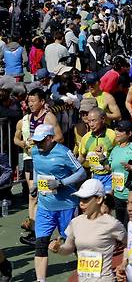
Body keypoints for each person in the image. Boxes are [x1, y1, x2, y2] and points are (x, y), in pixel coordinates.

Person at [30, 124, 87, 282]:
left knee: (72, 243)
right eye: (35, 142)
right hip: (44, 206)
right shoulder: (35, 150)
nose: (37, 145)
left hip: (66, 206)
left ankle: (89, 273)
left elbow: (81, 172)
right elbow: (37, 167)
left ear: (50, 138)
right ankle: (41, 280)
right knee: (40, 244)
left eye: (41, 141)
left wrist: (61, 182)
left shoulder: (64, 152)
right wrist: (35, 183)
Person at [48, 178, 126, 282]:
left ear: (99, 199)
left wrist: (124, 263)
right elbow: (69, 248)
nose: (81, 203)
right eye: (80, 199)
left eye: (85, 199)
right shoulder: (75, 222)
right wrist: (58, 249)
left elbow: (129, 245)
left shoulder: (112, 224)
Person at [13, 88, 63, 246]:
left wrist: (43, 143)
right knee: (32, 194)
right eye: (29, 101)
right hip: (31, 159)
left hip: (47, 160)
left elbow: (60, 137)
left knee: (47, 195)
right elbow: (17, 138)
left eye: (33, 101)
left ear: (42, 102)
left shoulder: (48, 117)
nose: (30, 104)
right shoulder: (27, 119)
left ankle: (58, 233)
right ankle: (35, 231)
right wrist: (24, 144)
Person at [107, 120, 132, 226]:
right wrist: (102, 159)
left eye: (121, 131)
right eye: (116, 130)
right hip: (117, 195)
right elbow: (110, 168)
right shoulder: (115, 149)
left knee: (129, 226)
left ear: (129, 134)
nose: (117, 133)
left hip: (129, 196)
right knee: (120, 226)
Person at [77, 107, 116, 193]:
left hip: (110, 176)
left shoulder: (112, 135)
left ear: (102, 119)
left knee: (106, 203)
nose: (91, 124)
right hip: (95, 177)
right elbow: (82, 157)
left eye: (94, 120)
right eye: (89, 121)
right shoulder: (86, 138)